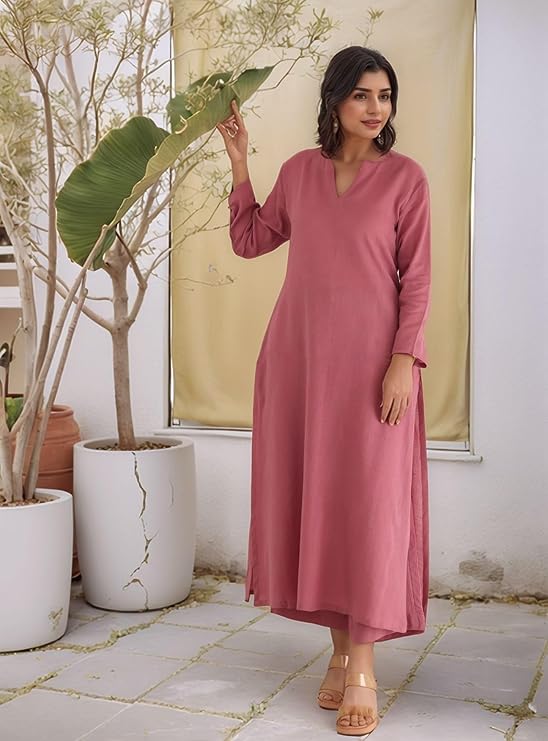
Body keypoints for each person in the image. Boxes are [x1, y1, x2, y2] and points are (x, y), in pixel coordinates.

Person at [216, 45, 431, 737]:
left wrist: (404, 360)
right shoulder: (300, 172)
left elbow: (418, 278)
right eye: (362, 94)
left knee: (367, 507)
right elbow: (251, 240)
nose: (376, 108)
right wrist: (241, 165)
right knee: (324, 504)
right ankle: (340, 653)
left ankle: (363, 666)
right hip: (300, 363)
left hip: (374, 367)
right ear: (335, 99)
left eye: (385, 95)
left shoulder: (406, 179)